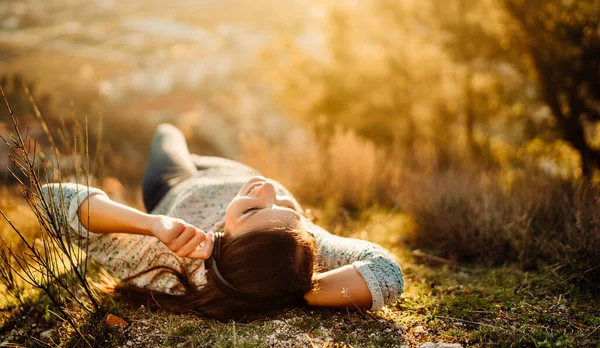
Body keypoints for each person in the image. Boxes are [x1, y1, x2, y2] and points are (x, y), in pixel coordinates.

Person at [41, 124, 404, 322]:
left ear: (225, 240)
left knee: (167, 133)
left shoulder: (165, 260)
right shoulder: (303, 246)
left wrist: (152, 224)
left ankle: (190, 154)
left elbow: (50, 200)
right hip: (233, 171)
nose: (269, 190)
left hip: (177, 182)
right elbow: (387, 273)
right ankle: (201, 155)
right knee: (204, 145)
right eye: (289, 207)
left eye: (252, 211)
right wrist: (295, 286)